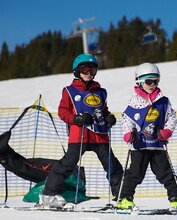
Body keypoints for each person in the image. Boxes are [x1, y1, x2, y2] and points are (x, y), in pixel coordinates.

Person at [41, 53, 123, 208]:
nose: (89, 73)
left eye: (93, 70)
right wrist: (76, 119)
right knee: (67, 164)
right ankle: (49, 194)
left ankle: (122, 196)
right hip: (80, 135)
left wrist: (109, 117)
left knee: (113, 166)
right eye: (85, 69)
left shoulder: (101, 92)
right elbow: (63, 111)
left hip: (100, 135)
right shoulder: (69, 91)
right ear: (77, 71)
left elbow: (103, 111)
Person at [117, 62, 177, 211]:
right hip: (139, 145)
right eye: (149, 81)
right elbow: (127, 119)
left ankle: (176, 197)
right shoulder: (134, 101)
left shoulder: (163, 101)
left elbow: (172, 117)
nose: (152, 84)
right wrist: (129, 134)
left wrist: (167, 131)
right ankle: (124, 198)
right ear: (139, 81)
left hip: (157, 144)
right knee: (135, 173)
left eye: (155, 81)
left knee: (165, 173)